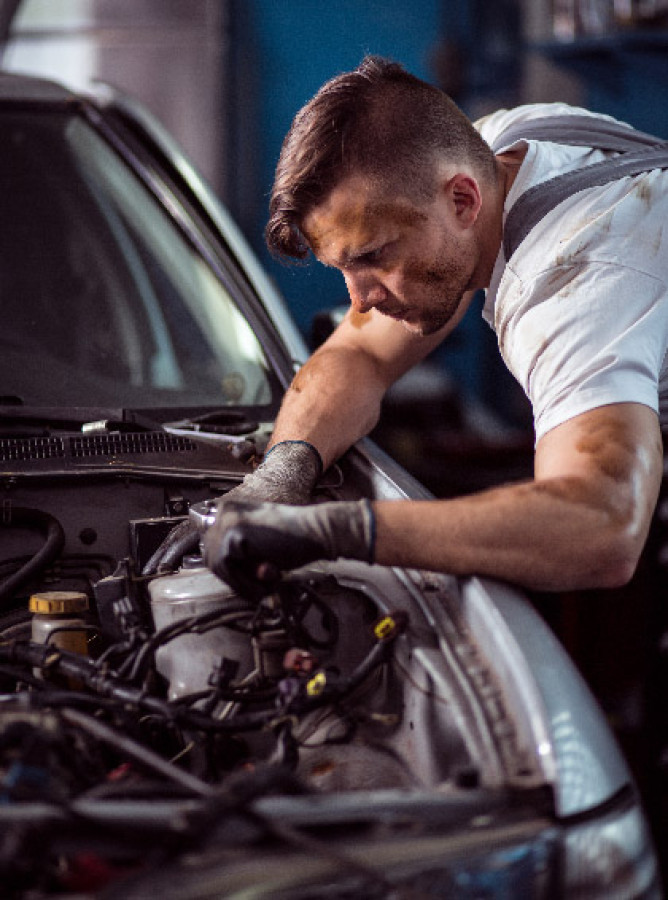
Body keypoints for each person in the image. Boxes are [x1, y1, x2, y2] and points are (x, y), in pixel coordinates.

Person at [202, 55, 668, 599]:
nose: (361, 299)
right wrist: (280, 475)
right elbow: (361, 356)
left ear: (463, 201)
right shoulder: (502, 145)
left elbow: (603, 527)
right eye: (345, 268)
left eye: (374, 255)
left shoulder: (574, 282)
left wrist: (337, 530)